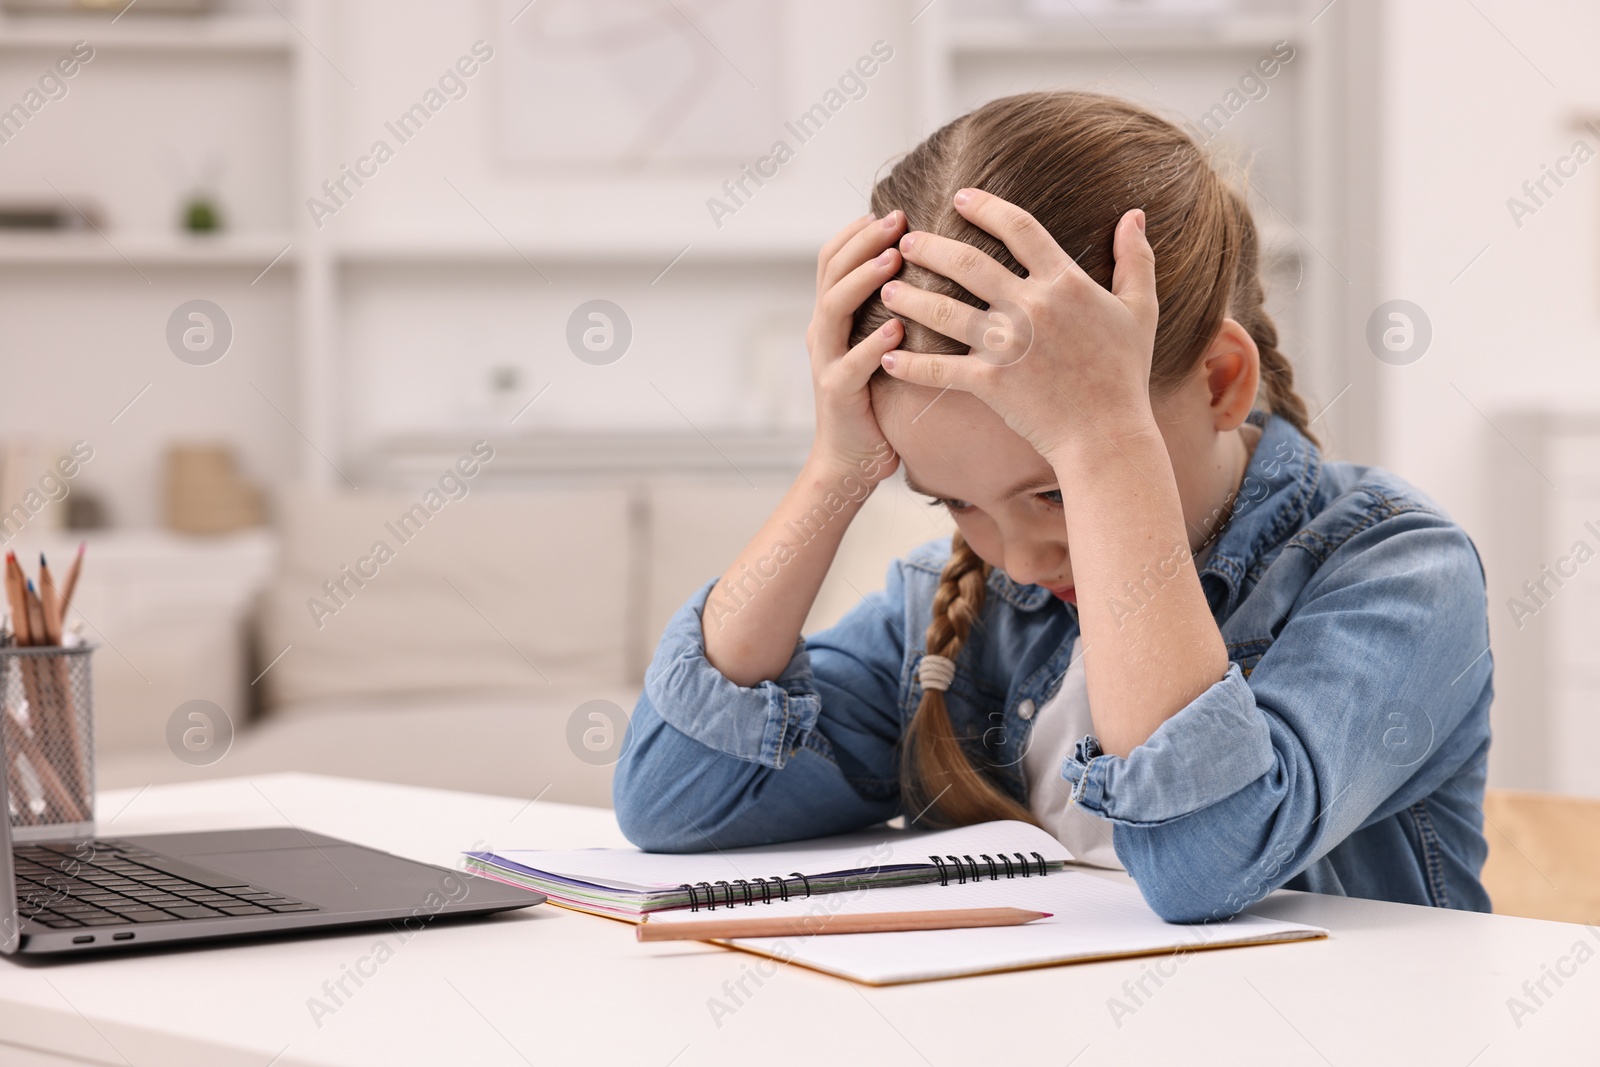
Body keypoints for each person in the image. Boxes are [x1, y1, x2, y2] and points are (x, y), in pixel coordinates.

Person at [613, 91, 1493, 922]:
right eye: (958, 500)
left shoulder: (1400, 571)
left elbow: (1204, 859)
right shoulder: (957, 606)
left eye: (1054, 490)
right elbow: (675, 800)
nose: (1022, 559)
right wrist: (835, 469)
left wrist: (1107, 449)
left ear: (1222, 383)